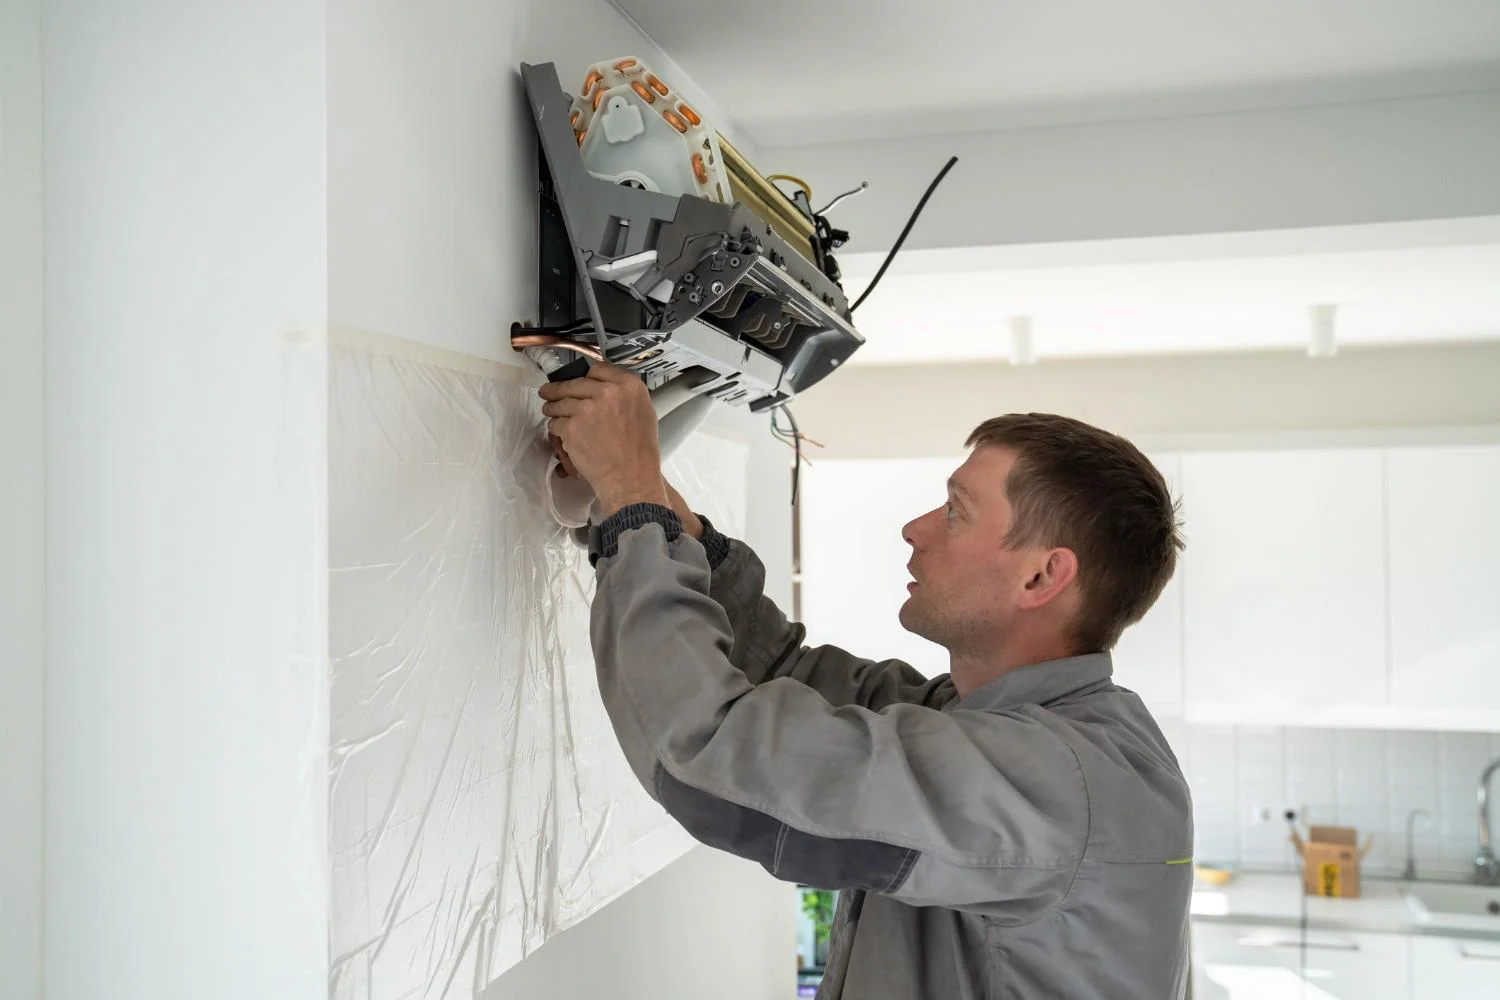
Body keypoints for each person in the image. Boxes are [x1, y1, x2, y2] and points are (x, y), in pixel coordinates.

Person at [539, 363, 1194, 1000]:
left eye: (956, 512)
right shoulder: (999, 724)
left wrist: (632, 502)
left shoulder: (1059, 785)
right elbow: (783, 676)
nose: (915, 529)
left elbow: (710, 755)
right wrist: (664, 519)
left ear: (1041, 578)